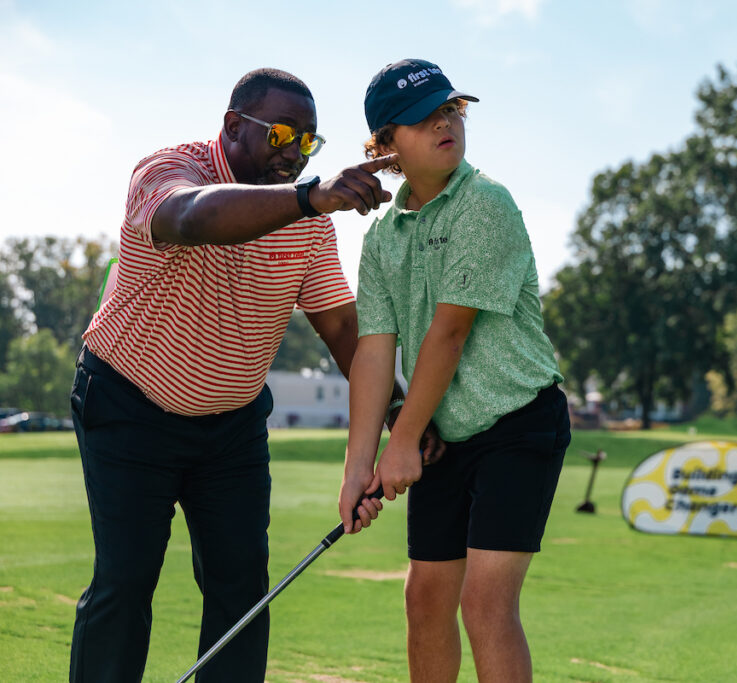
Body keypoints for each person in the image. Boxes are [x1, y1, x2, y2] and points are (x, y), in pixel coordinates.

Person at [69, 67, 437, 683]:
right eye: (282, 134)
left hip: (232, 428)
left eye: (308, 141)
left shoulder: (310, 220)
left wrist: (401, 416)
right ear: (234, 126)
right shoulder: (169, 170)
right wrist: (310, 196)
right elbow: (190, 217)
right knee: (125, 581)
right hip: (128, 407)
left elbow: (341, 328)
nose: (295, 152)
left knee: (241, 587)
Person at [338, 58, 571, 683]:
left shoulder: (485, 202)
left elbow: (449, 333)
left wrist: (403, 442)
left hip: (518, 422)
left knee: (485, 604)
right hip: (444, 433)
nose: (445, 124)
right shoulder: (384, 237)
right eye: (423, 118)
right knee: (425, 600)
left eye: (450, 110)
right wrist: (359, 466)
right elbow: (374, 350)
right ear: (386, 144)